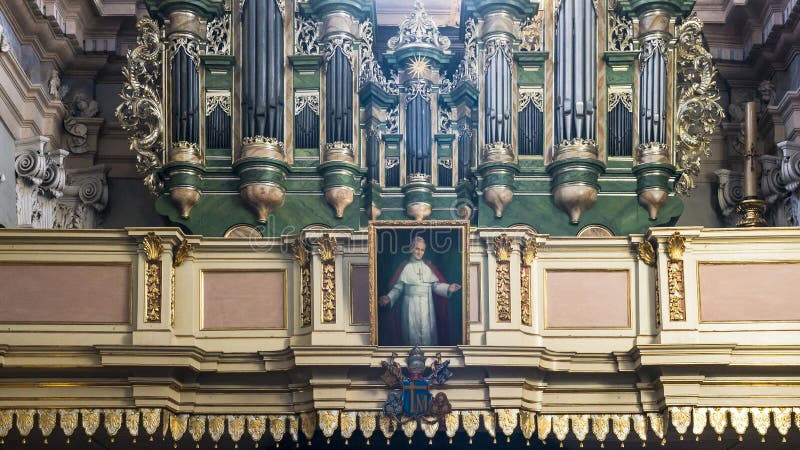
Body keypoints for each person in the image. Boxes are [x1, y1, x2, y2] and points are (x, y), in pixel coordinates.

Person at [379, 236, 461, 346]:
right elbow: (398, 288)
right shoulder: (405, 267)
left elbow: (435, 286)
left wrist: (448, 288)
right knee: (410, 333)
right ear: (412, 249)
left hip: (427, 305)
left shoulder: (428, 267)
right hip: (410, 305)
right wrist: (389, 297)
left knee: (428, 333)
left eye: (422, 250)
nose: (419, 252)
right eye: (417, 249)